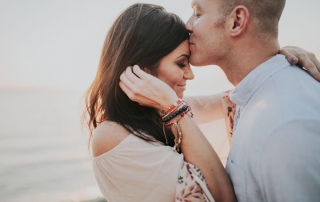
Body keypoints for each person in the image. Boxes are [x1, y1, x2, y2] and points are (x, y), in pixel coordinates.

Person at [119, 0, 320, 202]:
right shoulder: (249, 98)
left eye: (197, 13)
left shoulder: (285, 125)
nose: (187, 25)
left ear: (236, 21)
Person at [85, 3, 235, 202]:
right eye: (181, 63)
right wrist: (175, 111)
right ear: (143, 71)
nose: (190, 75)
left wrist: (280, 58)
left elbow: (240, 97)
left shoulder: (169, 110)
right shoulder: (112, 137)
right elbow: (222, 197)